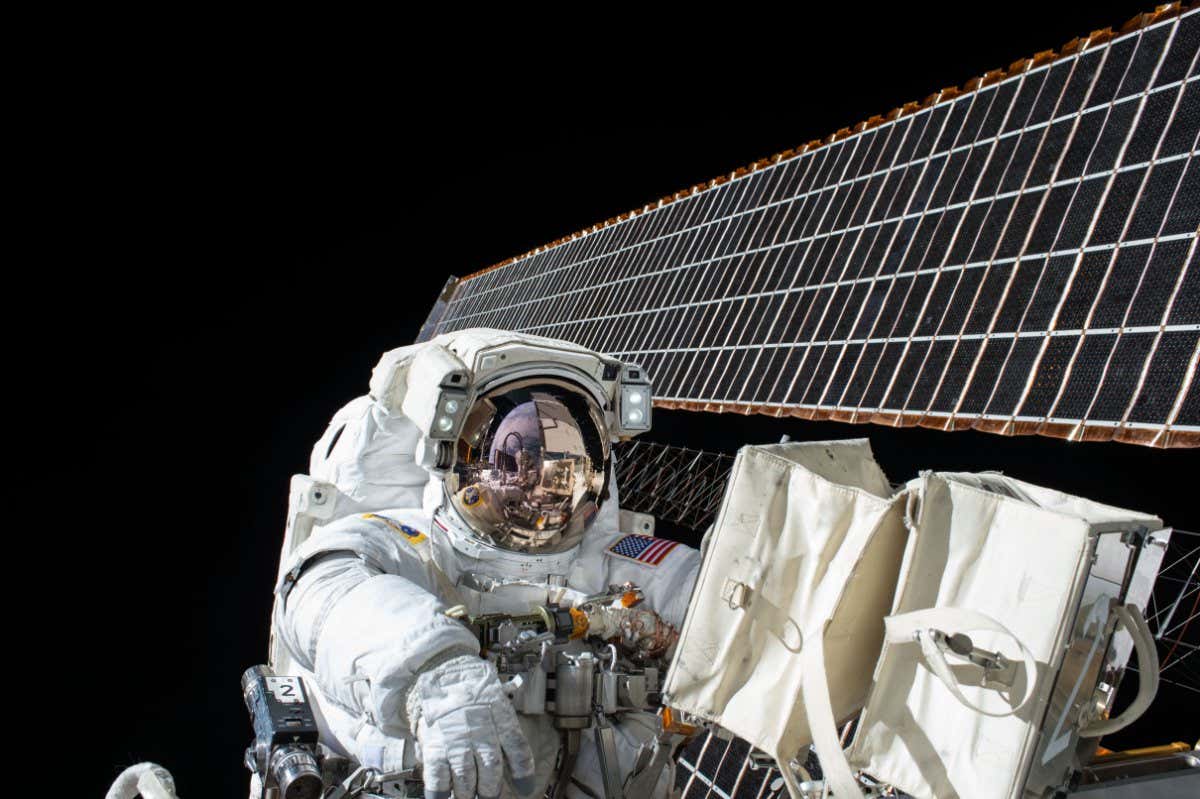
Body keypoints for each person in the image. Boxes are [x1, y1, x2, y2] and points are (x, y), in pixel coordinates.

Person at [264, 329, 701, 799]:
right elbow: (321, 584)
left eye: (563, 469)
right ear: (461, 460)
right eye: (521, 464)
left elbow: (715, 596)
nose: (542, 489)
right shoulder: (411, 538)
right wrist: (434, 673)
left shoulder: (611, 560)